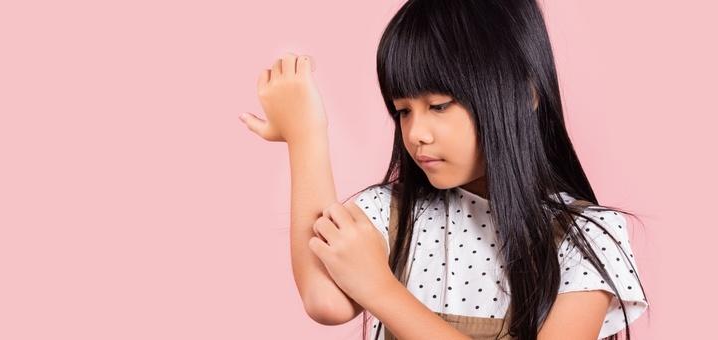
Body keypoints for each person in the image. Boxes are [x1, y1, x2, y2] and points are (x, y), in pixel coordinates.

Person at [239, 0, 649, 339]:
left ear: (525, 94)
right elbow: (324, 299)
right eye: (403, 111)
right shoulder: (393, 211)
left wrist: (380, 289)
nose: (417, 133)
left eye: (438, 106)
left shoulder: (588, 237)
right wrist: (306, 136)